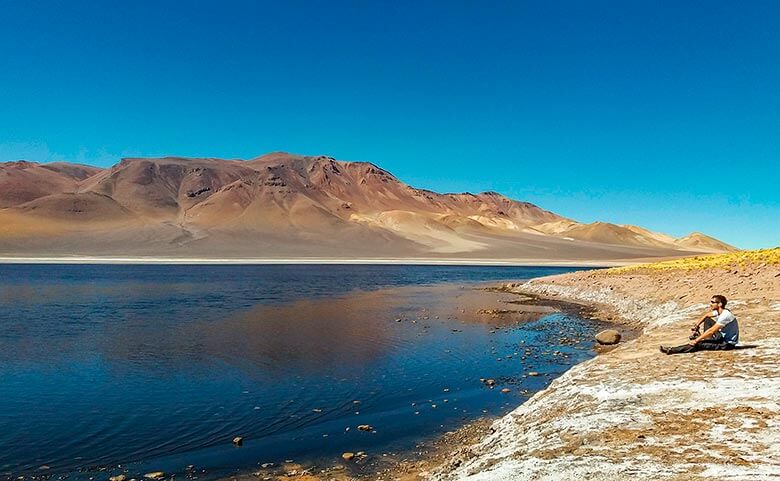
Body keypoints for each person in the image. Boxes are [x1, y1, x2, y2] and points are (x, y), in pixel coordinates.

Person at [660, 294, 739, 354]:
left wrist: (696, 340)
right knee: (708, 320)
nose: (710, 304)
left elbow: (711, 331)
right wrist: (696, 326)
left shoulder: (725, 315)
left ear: (720, 304)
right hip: (721, 337)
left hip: (726, 344)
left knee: (698, 344)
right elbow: (706, 315)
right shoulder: (720, 312)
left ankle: (671, 350)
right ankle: (706, 339)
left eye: (712, 302)